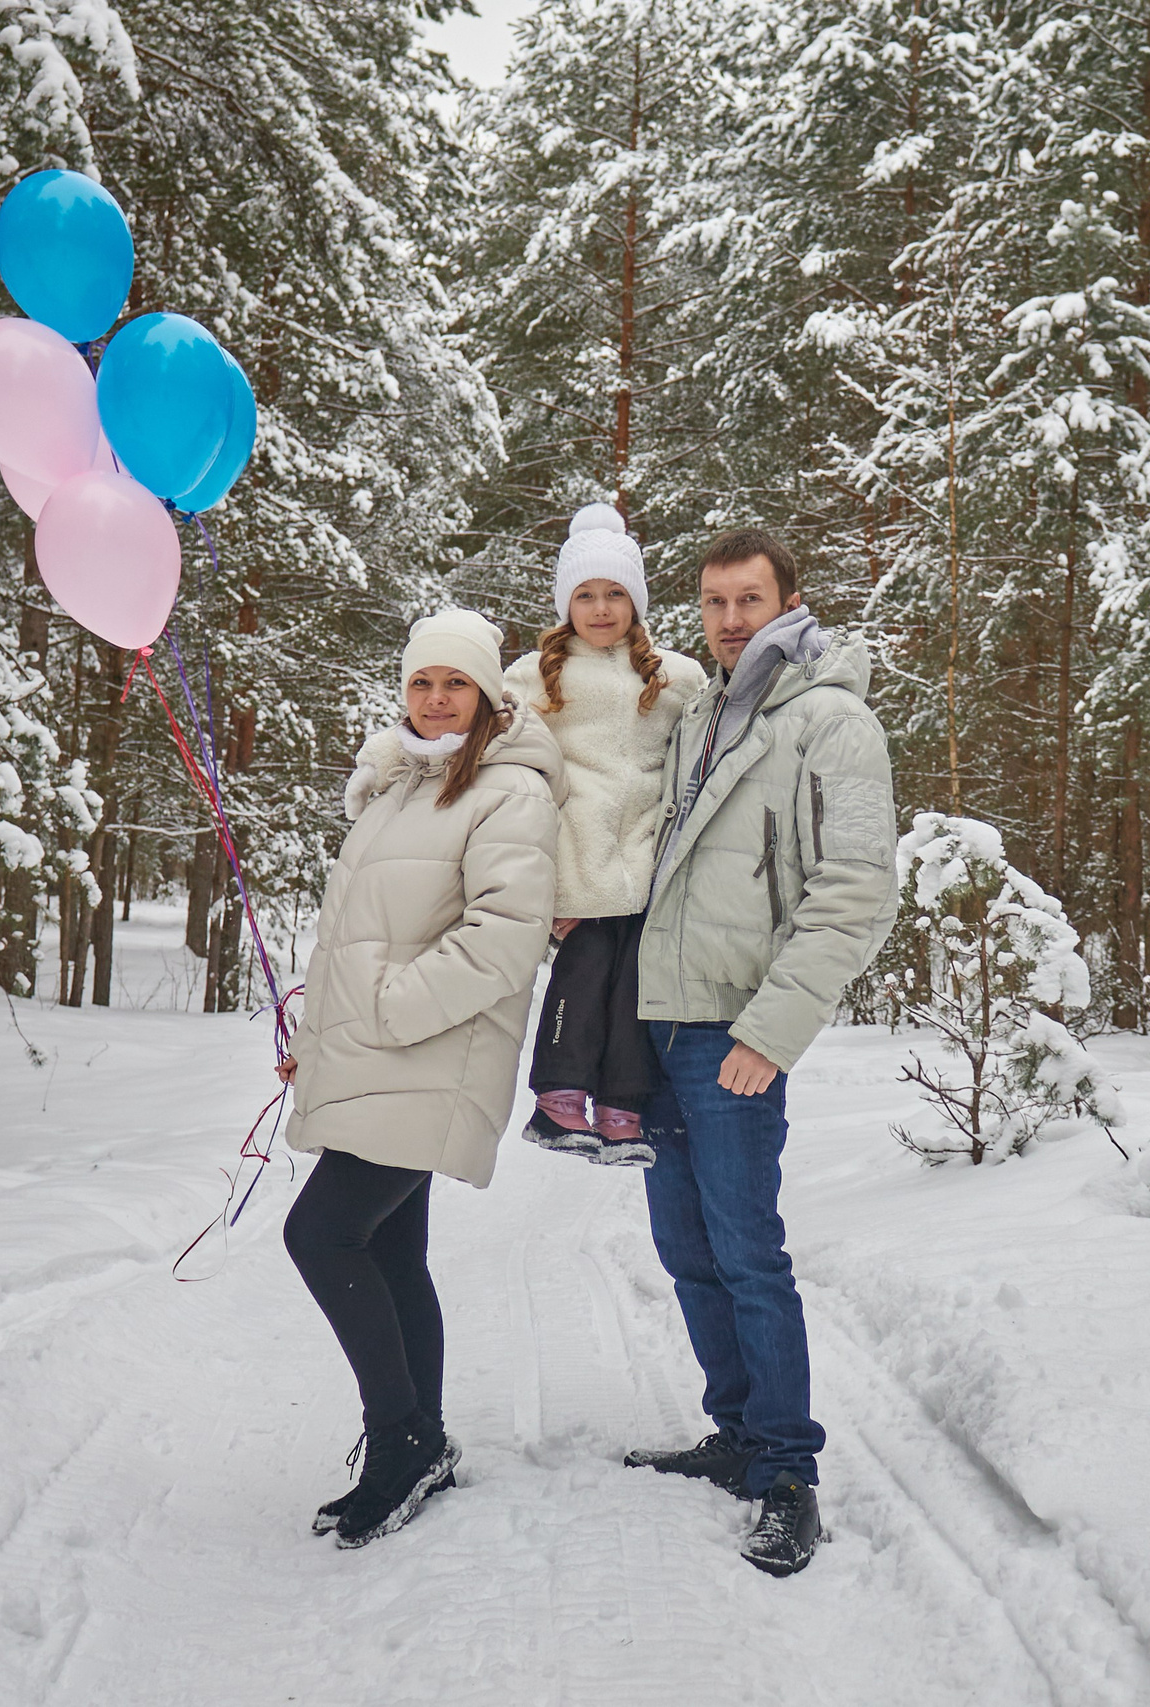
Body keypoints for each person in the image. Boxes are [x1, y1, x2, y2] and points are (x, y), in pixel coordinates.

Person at [621, 528, 897, 1578]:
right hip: (661, 1023)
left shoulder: (831, 721)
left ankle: (786, 1471)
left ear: (791, 601)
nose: (730, 620)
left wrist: (771, 1032)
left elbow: (855, 892)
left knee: (748, 1255)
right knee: (686, 1253)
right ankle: (734, 1432)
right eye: (714, 603)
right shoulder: (697, 713)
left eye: (750, 600)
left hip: (738, 1031)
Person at [276, 608, 562, 1549]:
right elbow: (361, 940)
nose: (437, 700)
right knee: (390, 1251)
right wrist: (323, 1035)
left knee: (320, 1232)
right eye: (421, 682)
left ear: (487, 694)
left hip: (430, 1053)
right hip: (380, 1053)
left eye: (456, 683)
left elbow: (507, 933)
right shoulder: (398, 786)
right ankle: (423, 1441)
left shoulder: (506, 792)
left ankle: (397, 1442)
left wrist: (392, 1009)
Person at [502, 503, 707, 1166]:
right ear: (566, 604)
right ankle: (559, 1097)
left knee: (632, 992)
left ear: (636, 601)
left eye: (615, 593)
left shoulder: (673, 676)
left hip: (644, 861)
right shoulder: (535, 675)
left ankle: (622, 1108)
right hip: (575, 858)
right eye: (585, 595)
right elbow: (505, 756)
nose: (599, 608)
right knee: (583, 975)